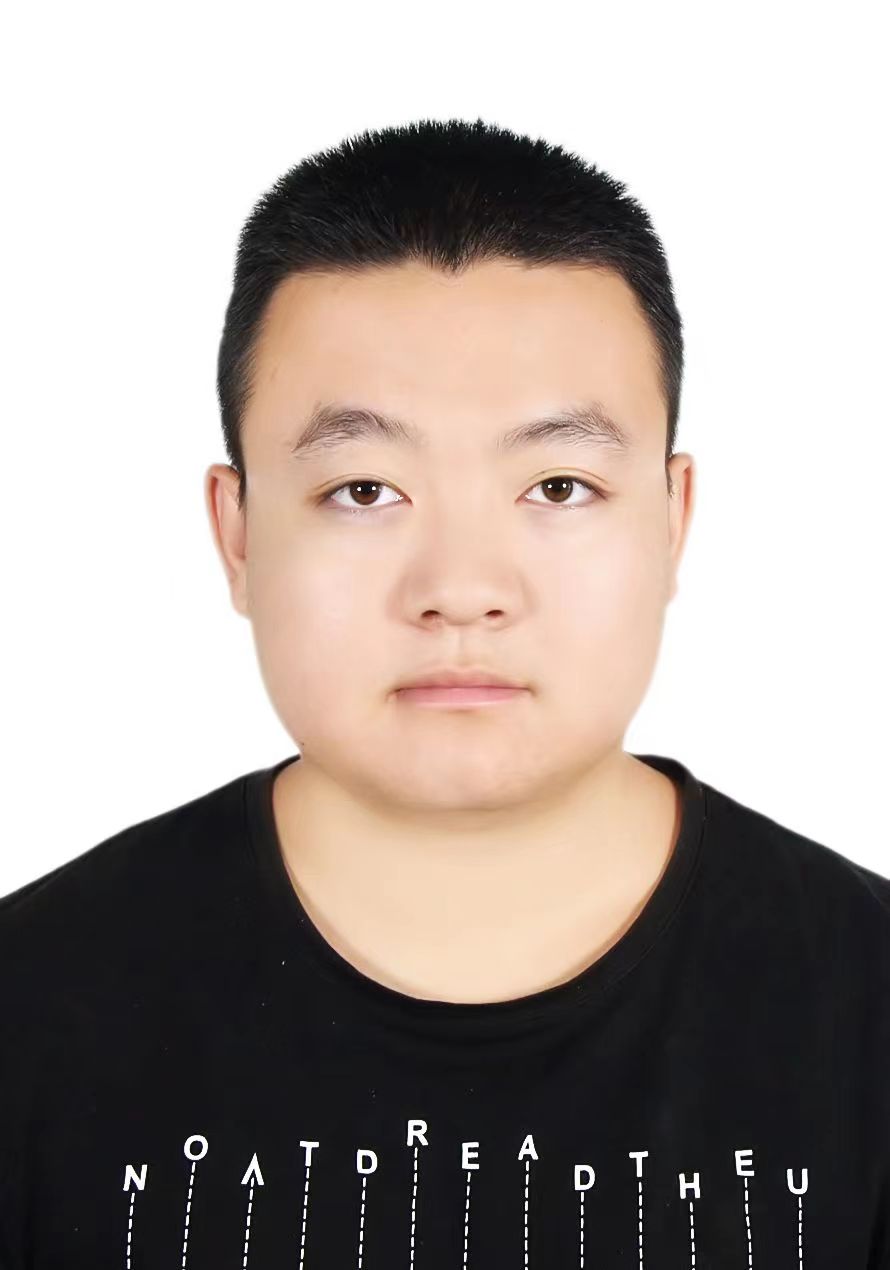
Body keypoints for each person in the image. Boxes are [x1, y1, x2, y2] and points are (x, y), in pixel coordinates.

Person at [1, 117, 888, 1269]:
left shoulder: (862, 1005)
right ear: (237, 533)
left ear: (670, 522)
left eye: (556, 485)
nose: (461, 588)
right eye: (364, 490)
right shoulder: (31, 1006)